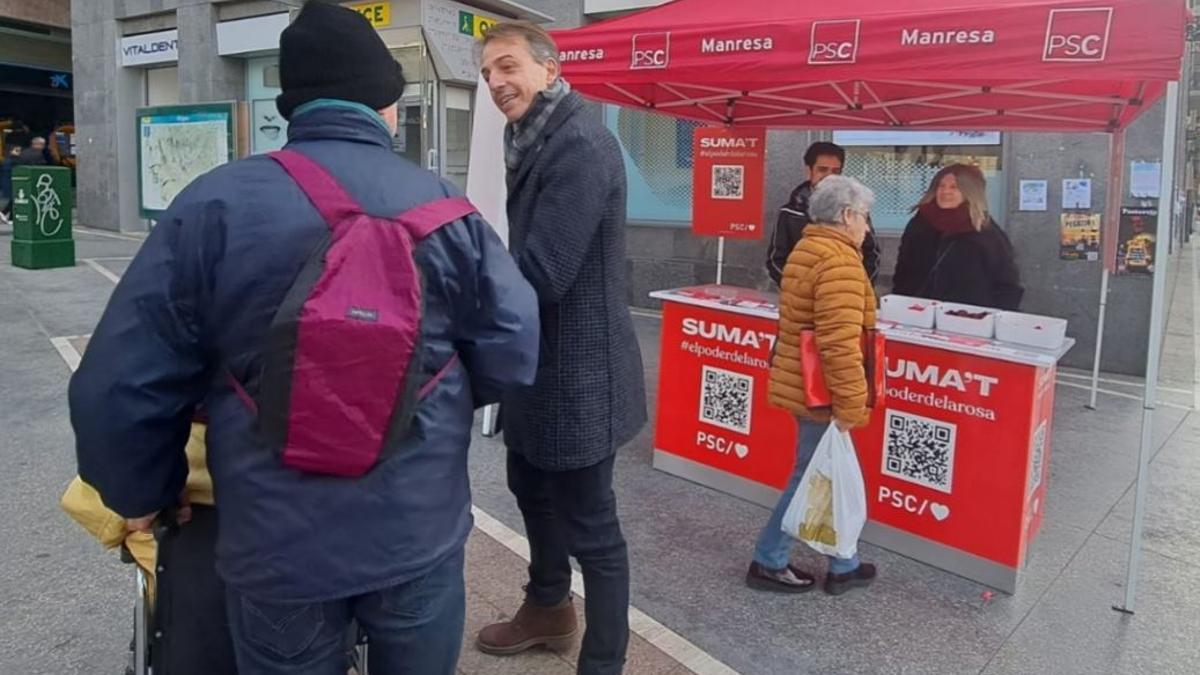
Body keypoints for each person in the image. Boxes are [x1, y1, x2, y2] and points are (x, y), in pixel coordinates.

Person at [69, 4, 540, 674]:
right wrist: (422, 401)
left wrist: (144, 491)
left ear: (294, 108)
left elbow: (117, 384)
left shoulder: (213, 206)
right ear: (387, 108)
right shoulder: (451, 213)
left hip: (273, 545)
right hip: (417, 531)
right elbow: (514, 350)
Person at [475, 21, 648, 675]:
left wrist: (462, 285)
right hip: (539, 364)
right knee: (527, 480)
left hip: (581, 373)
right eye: (489, 71)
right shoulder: (532, 138)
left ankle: (604, 660)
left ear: (550, 69)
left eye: (509, 66)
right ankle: (548, 605)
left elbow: (544, 270)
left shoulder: (579, 143)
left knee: (593, 526)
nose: (496, 82)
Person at [749, 175, 879, 596]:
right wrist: (852, 403)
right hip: (821, 391)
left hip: (804, 384)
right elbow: (839, 343)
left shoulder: (809, 247)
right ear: (846, 215)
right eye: (864, 216)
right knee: (810, 475)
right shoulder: (839, 260)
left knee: (828, 470)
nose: (866, 226)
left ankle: (844, 562)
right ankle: (768, 560)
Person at [891, 164, 1023, 309]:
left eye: (954, 187)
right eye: (941, 186)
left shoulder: (985, 232)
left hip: (968, 317)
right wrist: (899, 302)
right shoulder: (920, 223)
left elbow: (1007, 282)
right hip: (919, 312)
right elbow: (903, 268)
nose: (945, 191)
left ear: (969, 192)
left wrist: (998, 317)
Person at [767, 141, 880, 286]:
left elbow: (872, 253)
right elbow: (776, 260)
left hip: (846, 292)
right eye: (822, 170)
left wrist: (860, 288)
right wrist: (799, 290)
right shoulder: (790, 212)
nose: (829, 177)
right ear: (809, 171)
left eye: (835, 171)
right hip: (802, 298)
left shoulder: (855, 210)